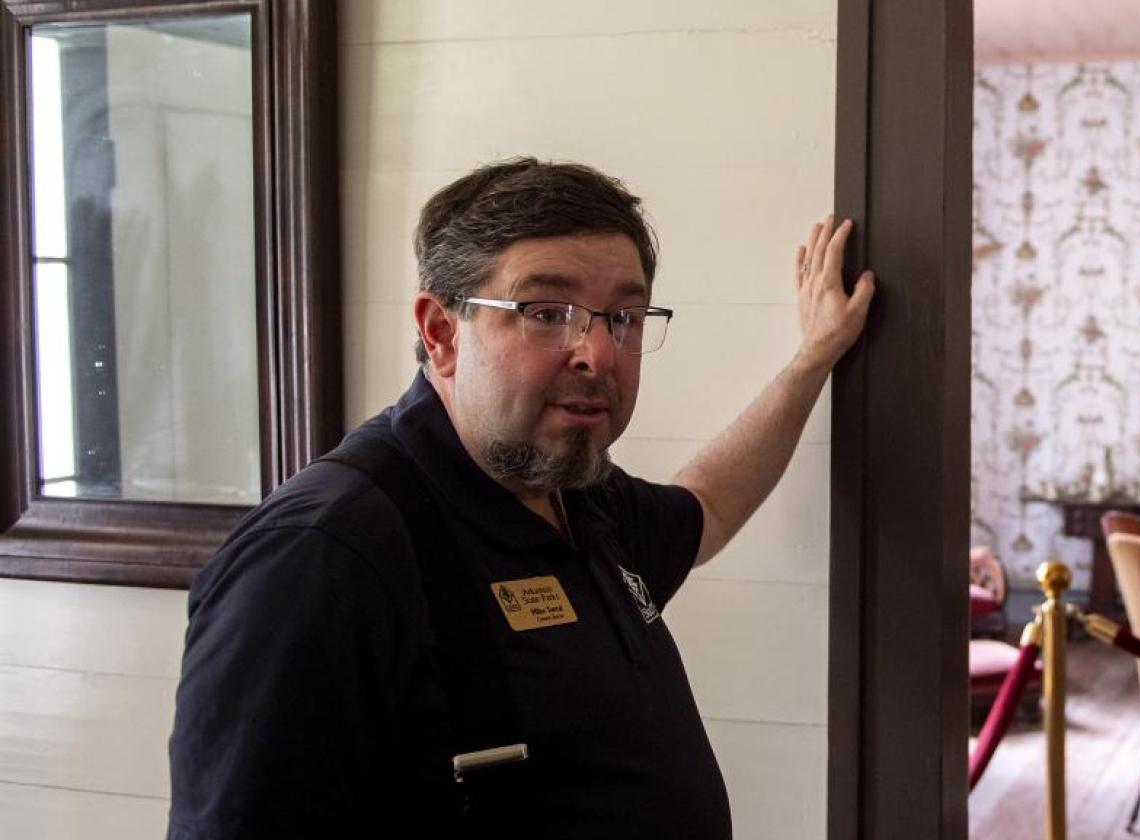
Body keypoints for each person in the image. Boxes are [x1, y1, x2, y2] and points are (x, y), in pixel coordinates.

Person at [166, 158, 874, 839]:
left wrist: (812, 359)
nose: (596, 354)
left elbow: (708, 507)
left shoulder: (572, 494)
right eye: (546, 312)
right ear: (441, 332)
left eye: (622, 317)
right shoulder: (323, 553)